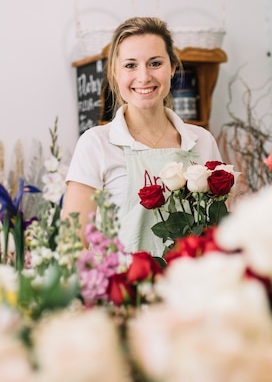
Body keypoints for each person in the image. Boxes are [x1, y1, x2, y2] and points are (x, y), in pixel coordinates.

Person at [63, 16, 222, 256]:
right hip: (125, 291)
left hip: (192, 288)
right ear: (114, 73)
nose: (144, 76)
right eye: (130, 65)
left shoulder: (202, 141)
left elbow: (220, 230)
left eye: (155, 63)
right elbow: (72, 245)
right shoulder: (96, 144)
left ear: (173, 69)